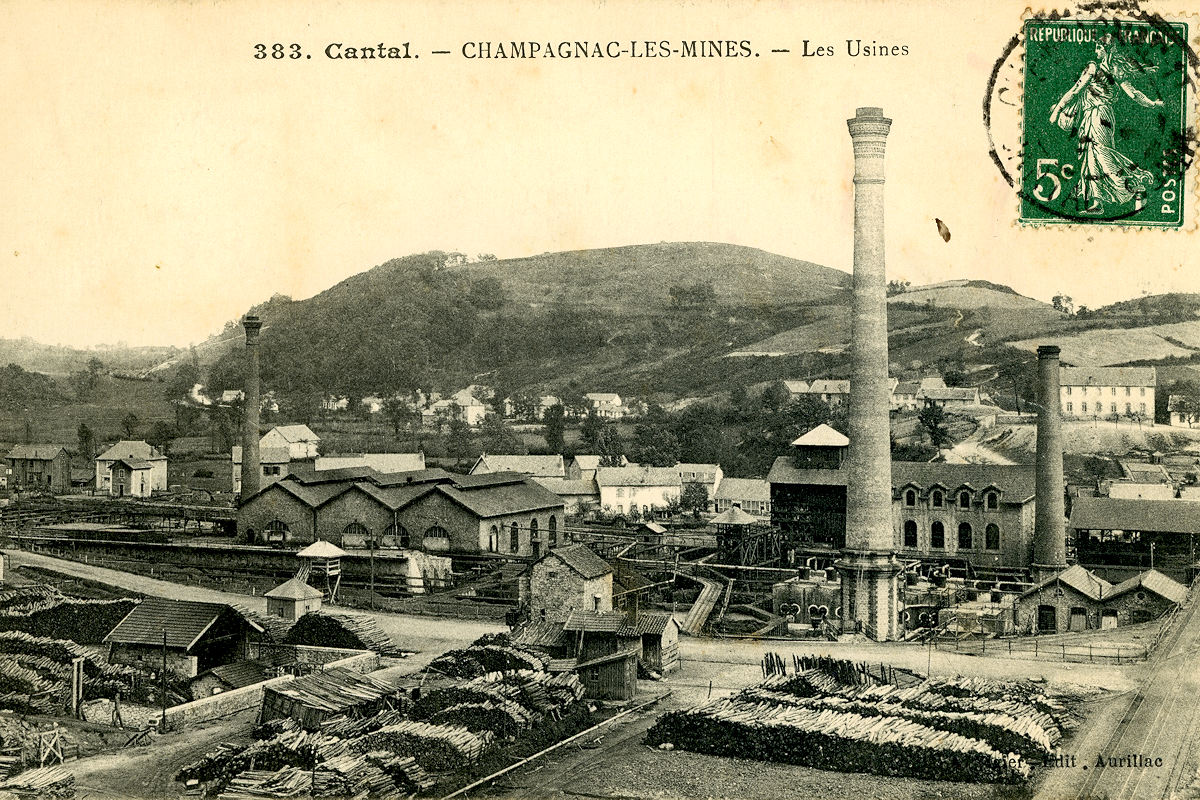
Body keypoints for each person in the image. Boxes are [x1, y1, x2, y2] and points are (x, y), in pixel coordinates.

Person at [1049, 34, 1165, 213]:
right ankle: (1097, 202)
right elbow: (1133, 94)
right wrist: (1153, 104)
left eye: (1099, 48)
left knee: (1101, 154)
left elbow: (1075, 90)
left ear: (1106, 50)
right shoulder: (1115, 69)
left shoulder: (1094, 68)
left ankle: (1134, 184)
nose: (1096, 51)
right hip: (1097, 116)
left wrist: (1057, 110)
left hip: (1098, 115)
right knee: (1091, 156)